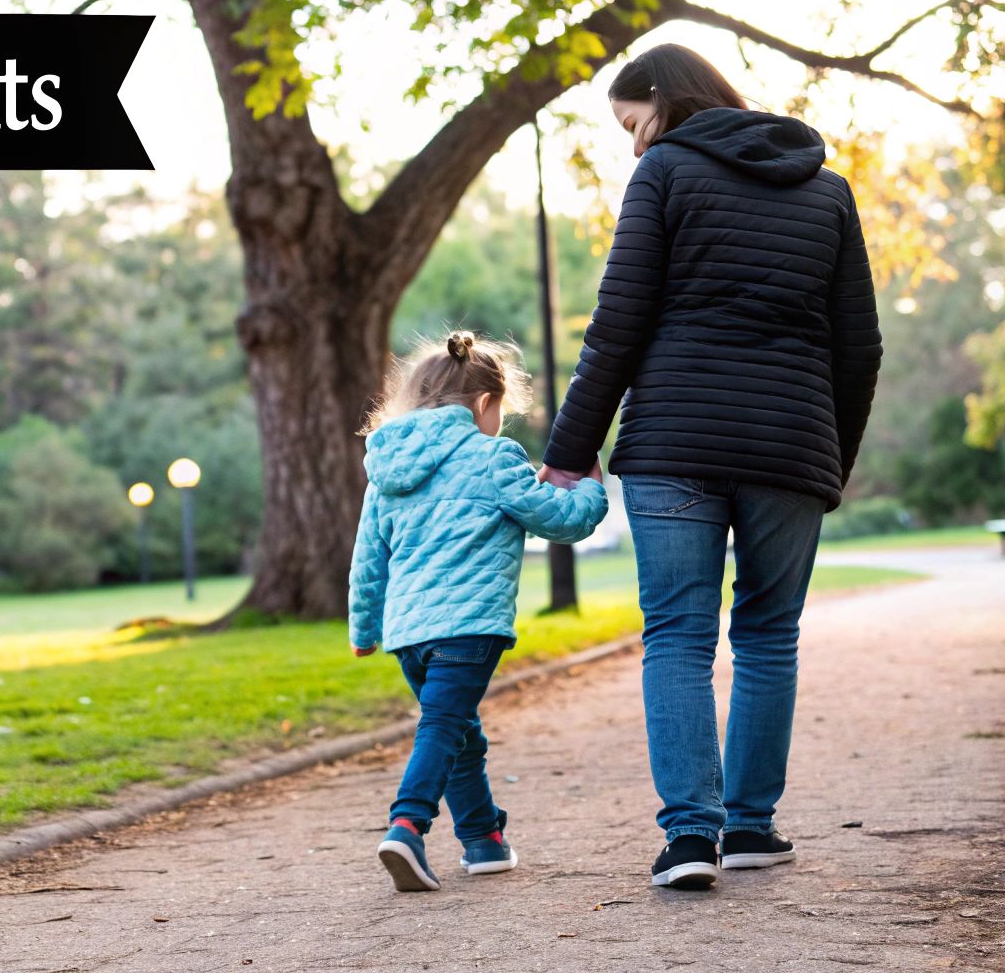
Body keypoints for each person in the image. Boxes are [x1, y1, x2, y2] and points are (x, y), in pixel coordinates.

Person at [539, 44, 883, 889]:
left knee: (679, 638)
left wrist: (568, 455)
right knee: (769, 636)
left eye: (632, 123)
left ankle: (691, 837)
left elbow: (615, 327)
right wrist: (829, 457)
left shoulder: (663, 177)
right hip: (790, 446)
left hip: (674, 444)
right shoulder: (827, 190)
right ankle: (754, 829)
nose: (632, 144)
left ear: (661, 99)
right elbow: (860, 349)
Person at [349, 331, 609, 892]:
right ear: (485, 404)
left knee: (460, 730)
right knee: (444, 725)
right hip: (470, 626)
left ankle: (483, 839)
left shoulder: (386, 470)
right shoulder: (493, 457)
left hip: (408, 634)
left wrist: (364, 628)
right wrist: (591, 489)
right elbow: (559, 519)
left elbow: (368, 557)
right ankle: (407, 824)